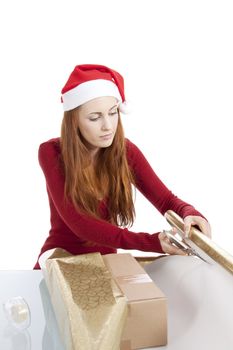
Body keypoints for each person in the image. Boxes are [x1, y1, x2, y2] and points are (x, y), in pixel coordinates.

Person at [33, 64, 211, 269]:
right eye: (95, 117)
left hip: (105, 266)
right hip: (58, 262)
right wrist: (153, 242)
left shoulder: (125, 152)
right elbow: (80, 224)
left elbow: (165, 200)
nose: (108, 126)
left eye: (113, 112)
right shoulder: (51, 152)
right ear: (74, 121)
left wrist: (189, 213)